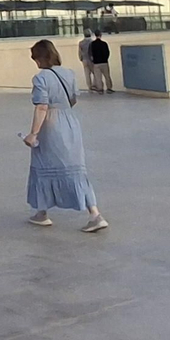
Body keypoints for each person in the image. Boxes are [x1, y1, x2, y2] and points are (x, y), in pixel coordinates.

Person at [22, 40, 107, 232]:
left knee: (42, 166)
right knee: (75, 169)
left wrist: (33, 133)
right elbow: (73, 99)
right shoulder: (69, 73)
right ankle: (94, 213)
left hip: (51, 126)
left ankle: (42, 213)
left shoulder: (41, 78)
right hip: (70, 123)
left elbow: (42, 106)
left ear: (40, 57)